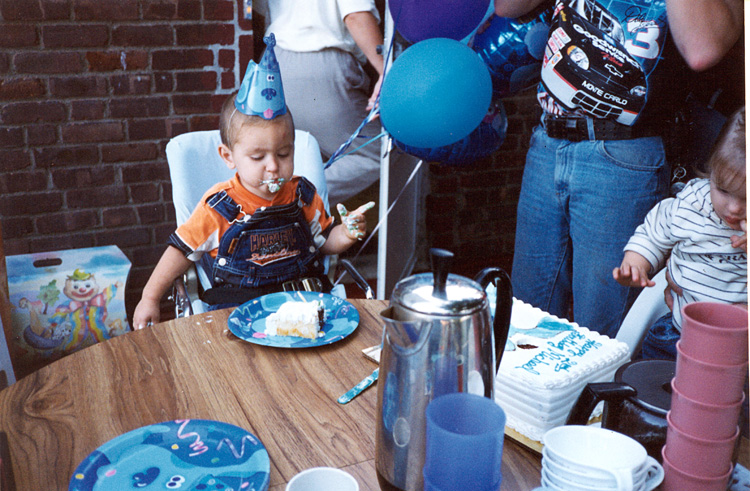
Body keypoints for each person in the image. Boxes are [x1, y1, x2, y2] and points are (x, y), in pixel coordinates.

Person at [494, 0, 743, 338]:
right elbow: (506, 7)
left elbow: (703, 48)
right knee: (523, 324)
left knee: (600, 337)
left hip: (623, 153)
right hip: (549, 139)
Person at [133, 35, 375, 329]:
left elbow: (324, 244)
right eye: (258, 157)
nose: (273, 166)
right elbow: (181, 251)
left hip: (302, 301)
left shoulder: (301, 195)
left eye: (284, 153)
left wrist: (347, 234)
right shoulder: (219, 206)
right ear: (228, 156)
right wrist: (149, 296)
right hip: (240, 308)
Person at [613, 107, 747, 360]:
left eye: (746, 197)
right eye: (723, 190)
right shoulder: (691, 204)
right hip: (677, 333)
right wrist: (636, 263)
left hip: (738, 348)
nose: (734, 208)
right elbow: (653, 233)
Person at [254, 0, 384, 208]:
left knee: (291, 158)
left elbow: (261, 13)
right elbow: (355, 15)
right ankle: (288, 206)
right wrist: (385, 70)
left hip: (273, 64)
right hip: (319, 66)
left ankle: (282, 212)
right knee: (378, 150)